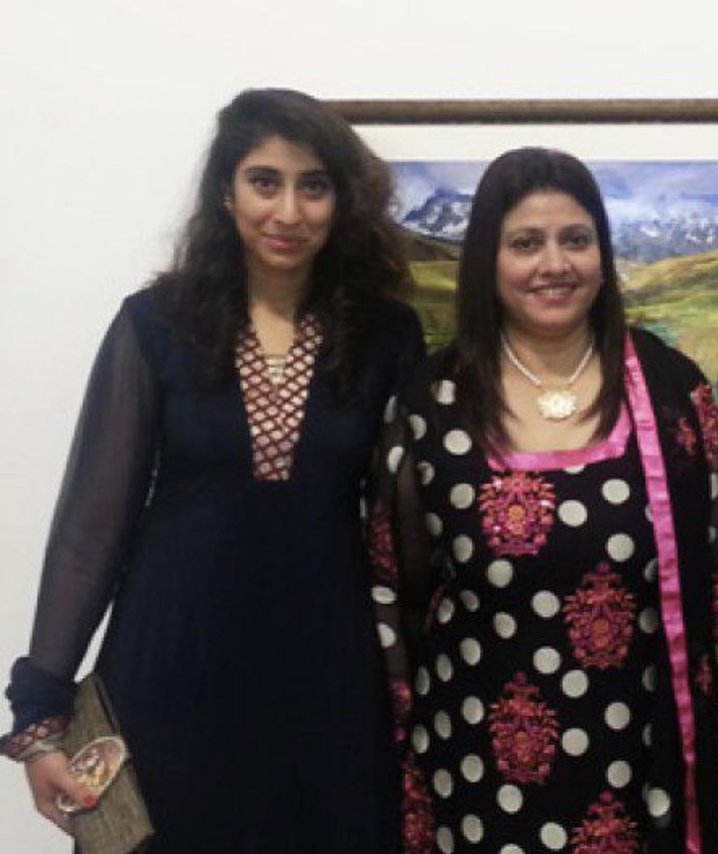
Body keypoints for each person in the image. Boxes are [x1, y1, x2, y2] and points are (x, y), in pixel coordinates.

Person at [1, 88, 426, 851]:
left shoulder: (385, 335)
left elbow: (408, 524)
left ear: (342, 202)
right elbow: (90, 530)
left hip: (327, 678)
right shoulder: (155, 325)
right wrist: (39, 718)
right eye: (265, 181)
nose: (288, 211)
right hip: (170, 667)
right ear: (226, 193)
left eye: (313, 186)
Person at [368, 146, 718, 852]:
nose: (555, 264)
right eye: (526, 243)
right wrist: (399, 757)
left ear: (602, 255)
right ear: (487, 260)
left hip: (650, 762)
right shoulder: (431, 402)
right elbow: (391, 592)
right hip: (476, 767)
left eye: (576, 240)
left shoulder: (672, 388)